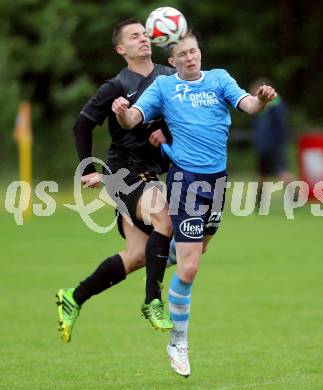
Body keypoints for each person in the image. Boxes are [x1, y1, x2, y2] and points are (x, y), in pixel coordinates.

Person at [112, 31, 277, 377]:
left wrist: (261, 99)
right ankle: (178, 341)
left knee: (196, 252)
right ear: (172, 62)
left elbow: (248, 105)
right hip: (185, 181)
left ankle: (148, 256)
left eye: (194, 51)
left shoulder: (219, 79)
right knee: (189, 269)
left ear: (200, 52)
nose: (190, 57)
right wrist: (124, 112)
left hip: (216, 183)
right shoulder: (164, 88)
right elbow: (134, 119)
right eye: (182, 54)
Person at [56, 18, 177, 344]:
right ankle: (153, 301)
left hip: (152, 172)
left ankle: (74, 296)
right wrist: (86, 170)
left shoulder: (168, 77)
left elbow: (181, 119)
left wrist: (165, 132)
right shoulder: (116, 86)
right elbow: (81, 125)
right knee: (163, 218)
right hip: (124, 174)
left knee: (137, 255)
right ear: (121, 49)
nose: (143, 40)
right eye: (134, 37)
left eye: (145, 34)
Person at [249, 78, 294, 207]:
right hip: (263, 147)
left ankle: (294, 200)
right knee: (262, 175)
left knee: (283, 172)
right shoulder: (259, 106)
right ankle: (260, 203)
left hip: (275, 146)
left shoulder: (277, 104)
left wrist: (279, 143)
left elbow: (282, 126)